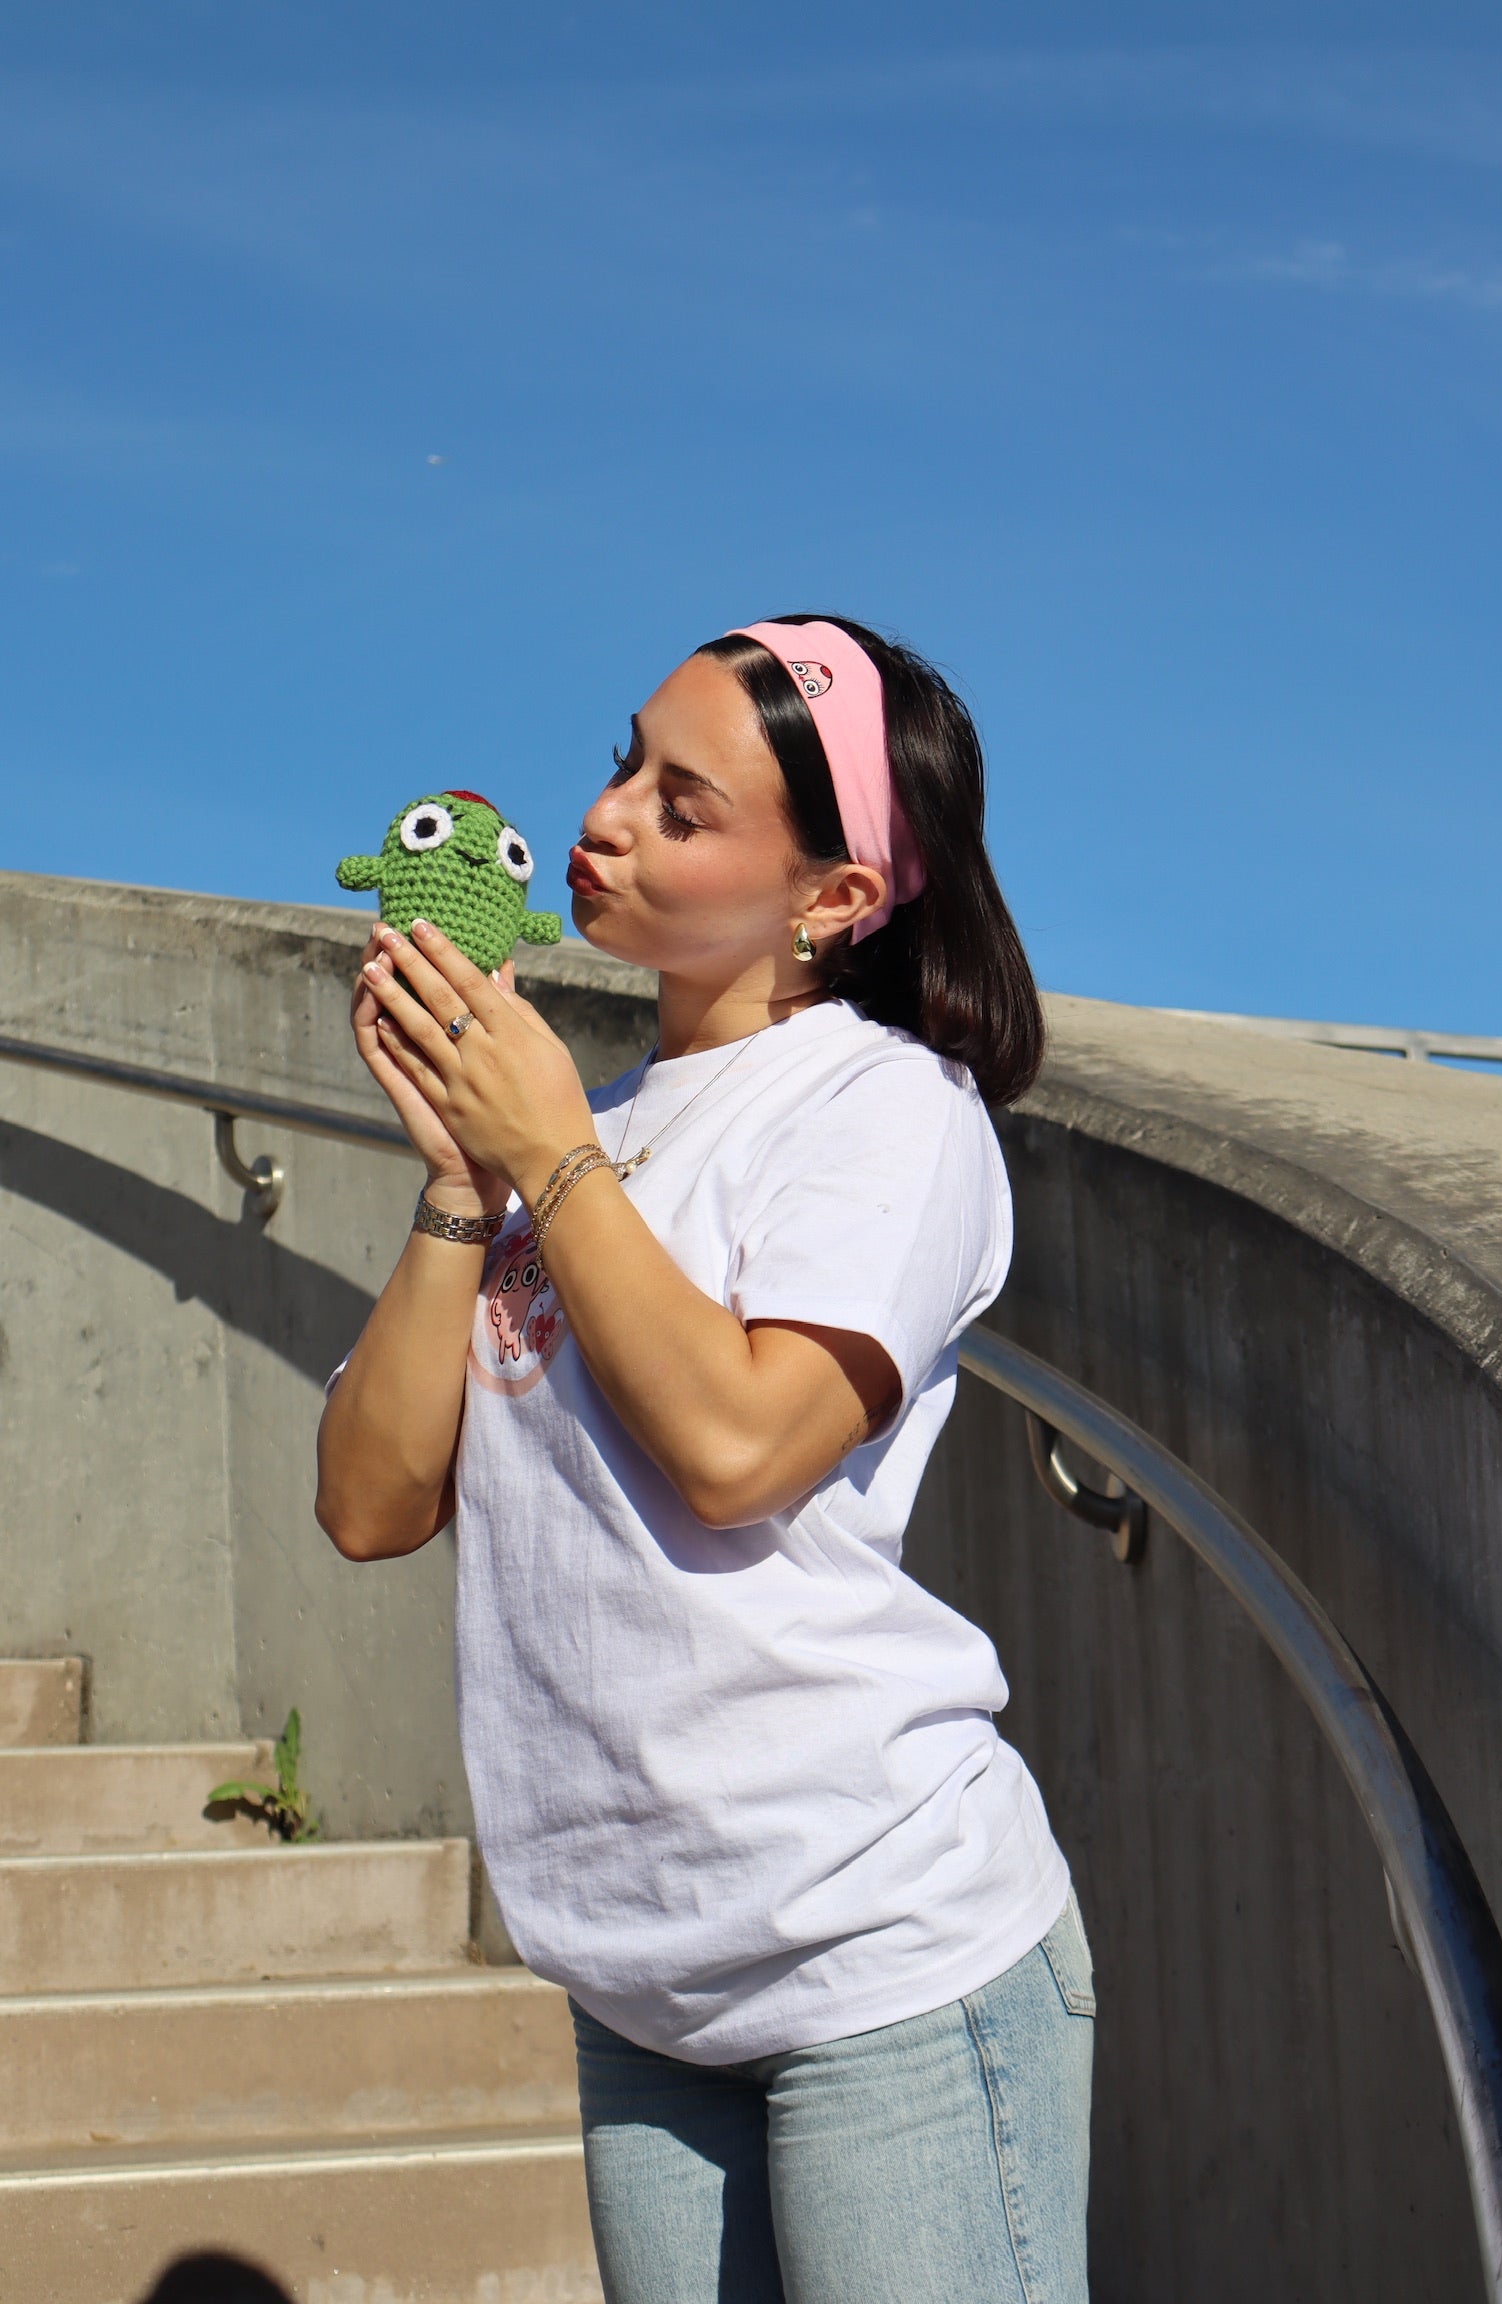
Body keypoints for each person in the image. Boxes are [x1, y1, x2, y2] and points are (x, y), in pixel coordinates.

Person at [316, 615, 1095, 2304]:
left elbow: (741, 1445)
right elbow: (370, 1506)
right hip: (641, 1989)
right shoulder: (568, 1127)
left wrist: (548, 1158)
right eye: (624, 766)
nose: (604, 819)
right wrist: (461, 1182)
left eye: (684, 806)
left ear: (834, 896)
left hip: (885, 1960)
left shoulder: (888, 1109)